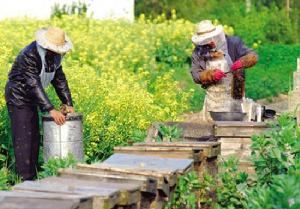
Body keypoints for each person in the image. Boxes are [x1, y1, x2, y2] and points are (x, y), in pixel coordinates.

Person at [5, 27, 75, 180]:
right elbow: (33, 83)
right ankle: (24, 180)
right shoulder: (30, 54)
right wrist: (50, 109)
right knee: (24, 139)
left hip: (33, 97)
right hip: (18, 97)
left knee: (34, 138)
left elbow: (59, 79)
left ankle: (32, 178)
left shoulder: (55, 57)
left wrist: (67, 102)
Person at [190, 20, 258, 121]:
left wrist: (242, 62)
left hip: (234, 94)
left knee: (234, 127)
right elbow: (195, 74)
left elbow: (253, 56)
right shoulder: (198, 52)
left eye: (210, 38)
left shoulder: (233, 43)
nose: (209, 42)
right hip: (213, 99)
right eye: (205, 40)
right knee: (212, 129)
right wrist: (210, 75)